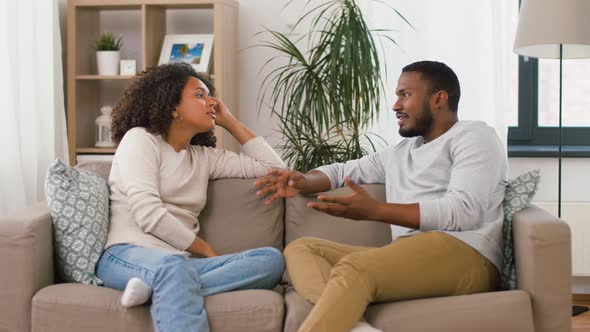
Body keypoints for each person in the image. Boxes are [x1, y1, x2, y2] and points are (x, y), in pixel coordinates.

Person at [254, 61, 507, 332]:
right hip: (409, 253)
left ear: (438, 99)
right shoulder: (400, 152)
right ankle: (359, 329)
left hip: (467, 254)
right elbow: (343, 171)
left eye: (405, 95)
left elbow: (465, 211)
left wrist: (377, 210)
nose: (396, 105)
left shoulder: (473, 136)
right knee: (301, 248)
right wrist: (303, 181)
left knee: (355, 268)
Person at [96, 63, 286, 332]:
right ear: (173, 108)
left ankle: (153, 287)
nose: (212, 102)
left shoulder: (203, 158)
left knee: (271, 260)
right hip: (127, 254)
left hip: (177, 264)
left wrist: (230, 121)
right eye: (200, 95)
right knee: (173, 268)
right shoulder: (140, 140)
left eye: (210, 96)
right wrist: (204, 249)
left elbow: (276, 170)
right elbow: (146, 213)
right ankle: (162, 281)